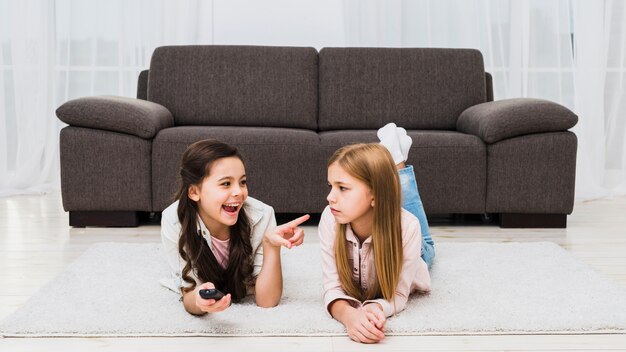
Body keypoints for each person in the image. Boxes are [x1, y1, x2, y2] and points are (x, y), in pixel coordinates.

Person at [160, 139, 309, 316]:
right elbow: (189, 292)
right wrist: (200, 302)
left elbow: (267, 302)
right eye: (226, 183)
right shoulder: (174, 220)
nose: (239, 192)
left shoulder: (262, 215)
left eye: (243, 182)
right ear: (194, 192)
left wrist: (271, 245)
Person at [319, 123, 434, 343]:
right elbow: (332, 287)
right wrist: (349, 316)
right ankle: (393, 159)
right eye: (330, 186)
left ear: (375, 195)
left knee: (427, 245)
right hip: (385, 210)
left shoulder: (408, 228)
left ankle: (398, 163)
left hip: (411, 245)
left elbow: (399, 294)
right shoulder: (330, 217)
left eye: (342, 188)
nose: (330, 197)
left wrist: (375, 307)